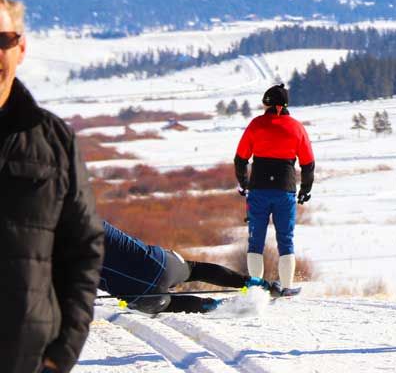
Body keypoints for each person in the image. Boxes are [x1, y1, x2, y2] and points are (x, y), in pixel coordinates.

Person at [0, 0, 104, 373]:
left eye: (3, 41)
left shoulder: (54, 141)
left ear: (21, 48)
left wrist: (61, 354)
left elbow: (84, 248)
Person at [234, 83, 315, 297]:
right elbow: (308, 163)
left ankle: (255, 287)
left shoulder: (256, 125)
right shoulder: (297, 127)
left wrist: (243, 184)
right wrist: (305, 189)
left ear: (268, 104)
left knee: (255, 239)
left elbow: (240, 158)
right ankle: (286, 287)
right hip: (285, 190)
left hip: (258, 189)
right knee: (286, 239)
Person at [99, 221, 270, 314]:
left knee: (167, 304)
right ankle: (252, 282)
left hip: (141, 295)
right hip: (161, 264)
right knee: (194, 269)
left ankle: (211, 305)